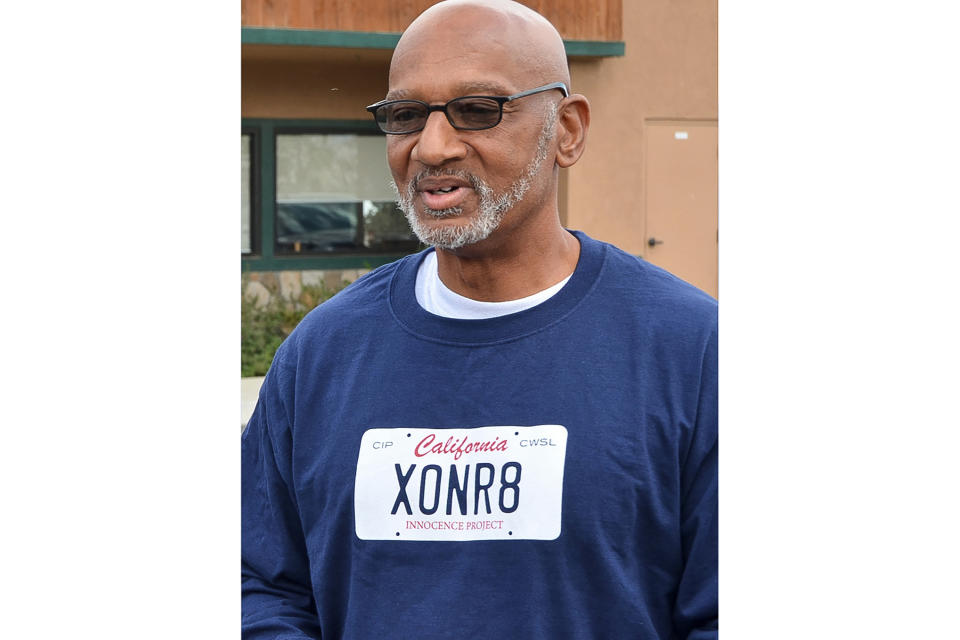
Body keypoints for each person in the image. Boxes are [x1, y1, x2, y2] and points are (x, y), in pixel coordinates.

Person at [241, 1, 718, 638]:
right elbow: (258, 580)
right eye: (406, 116)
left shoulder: (693, 350)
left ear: (567, 131)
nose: (432, 146)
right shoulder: (323, 354)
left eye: (478, 110)